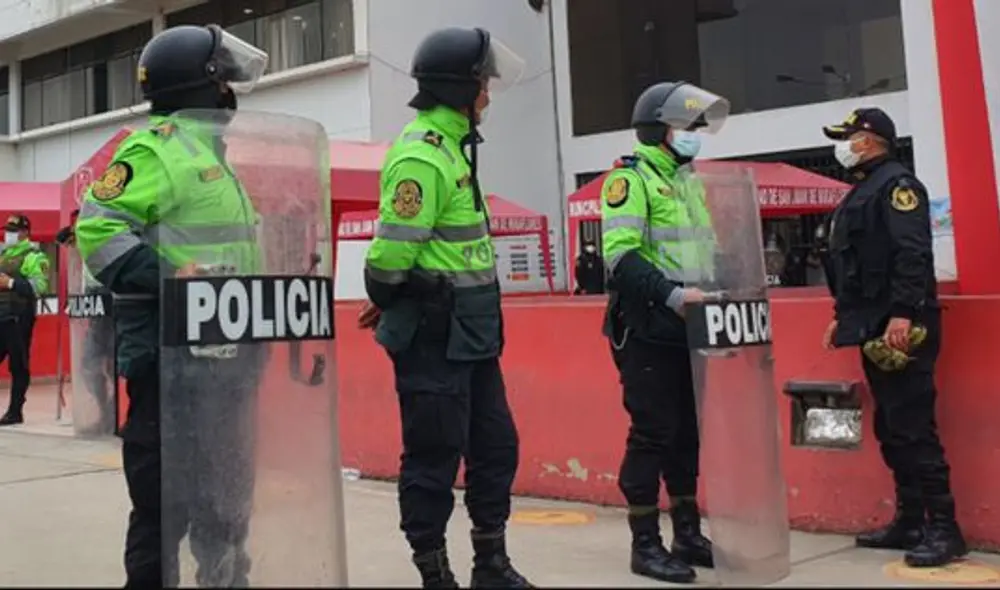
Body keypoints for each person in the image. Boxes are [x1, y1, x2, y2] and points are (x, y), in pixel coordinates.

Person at [74, 24, 270, 587]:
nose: (232, 89)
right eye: (225, 77)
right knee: (164, 508)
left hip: (228, 363)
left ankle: (227, 579)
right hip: (171, 364)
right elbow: (99, 229)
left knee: (227, 503)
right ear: (204, 83)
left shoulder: (214, 157)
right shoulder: (156, 148)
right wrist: (170, 278)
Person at [358, 26, 532, 589]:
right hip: (435, 337)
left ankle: (492, 565)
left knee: (495, 449)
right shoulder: (423, 157)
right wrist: (391, 299)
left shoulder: (454, 149)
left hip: (474, 335)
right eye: (482, 83)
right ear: (460, 87)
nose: (487, 94)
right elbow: (388, 260)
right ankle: (435, 574)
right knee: (434, 459)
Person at [821, 107, 966, 567]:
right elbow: (852, 264)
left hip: (901, 326)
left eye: (850, 137)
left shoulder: (898, 187)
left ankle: (945, 528)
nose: (844, 145)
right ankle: (909, 520)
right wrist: (842, 316)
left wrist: (903, 313)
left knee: (914, 426)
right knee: (891, 427)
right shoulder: (863, 191)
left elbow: (912, 254)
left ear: (871, 139)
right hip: (870, 324)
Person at [600, 81, 729, 584]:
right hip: (649, 324)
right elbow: (620, 256)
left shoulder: (688, 180)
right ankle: (645, 543)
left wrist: (722, 283)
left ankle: (688, 533)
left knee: (687, 433)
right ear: (658, 128)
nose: (695, 135)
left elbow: (707, 248)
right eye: (687, 126)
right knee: (652, 433)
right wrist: (673, 296)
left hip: (693, 326)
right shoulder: (631, 181)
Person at [56, 210, 117, 435]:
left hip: (111, 309)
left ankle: (112, 414)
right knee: (89, 366)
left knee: (113, 365)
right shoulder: (82, 258)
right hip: (94, 312)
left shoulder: (104, 245)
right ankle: (104, 411)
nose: (74, 247)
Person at [0, 213, 50, 426]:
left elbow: (39, 287)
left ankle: (15, 411)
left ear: (25, 232)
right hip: (2, 315)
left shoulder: (34, 256)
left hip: (19, 317)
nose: (9, 234)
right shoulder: (4, 254)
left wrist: (10, 283)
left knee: (18, 365)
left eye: (14, 231)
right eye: (7, 230)